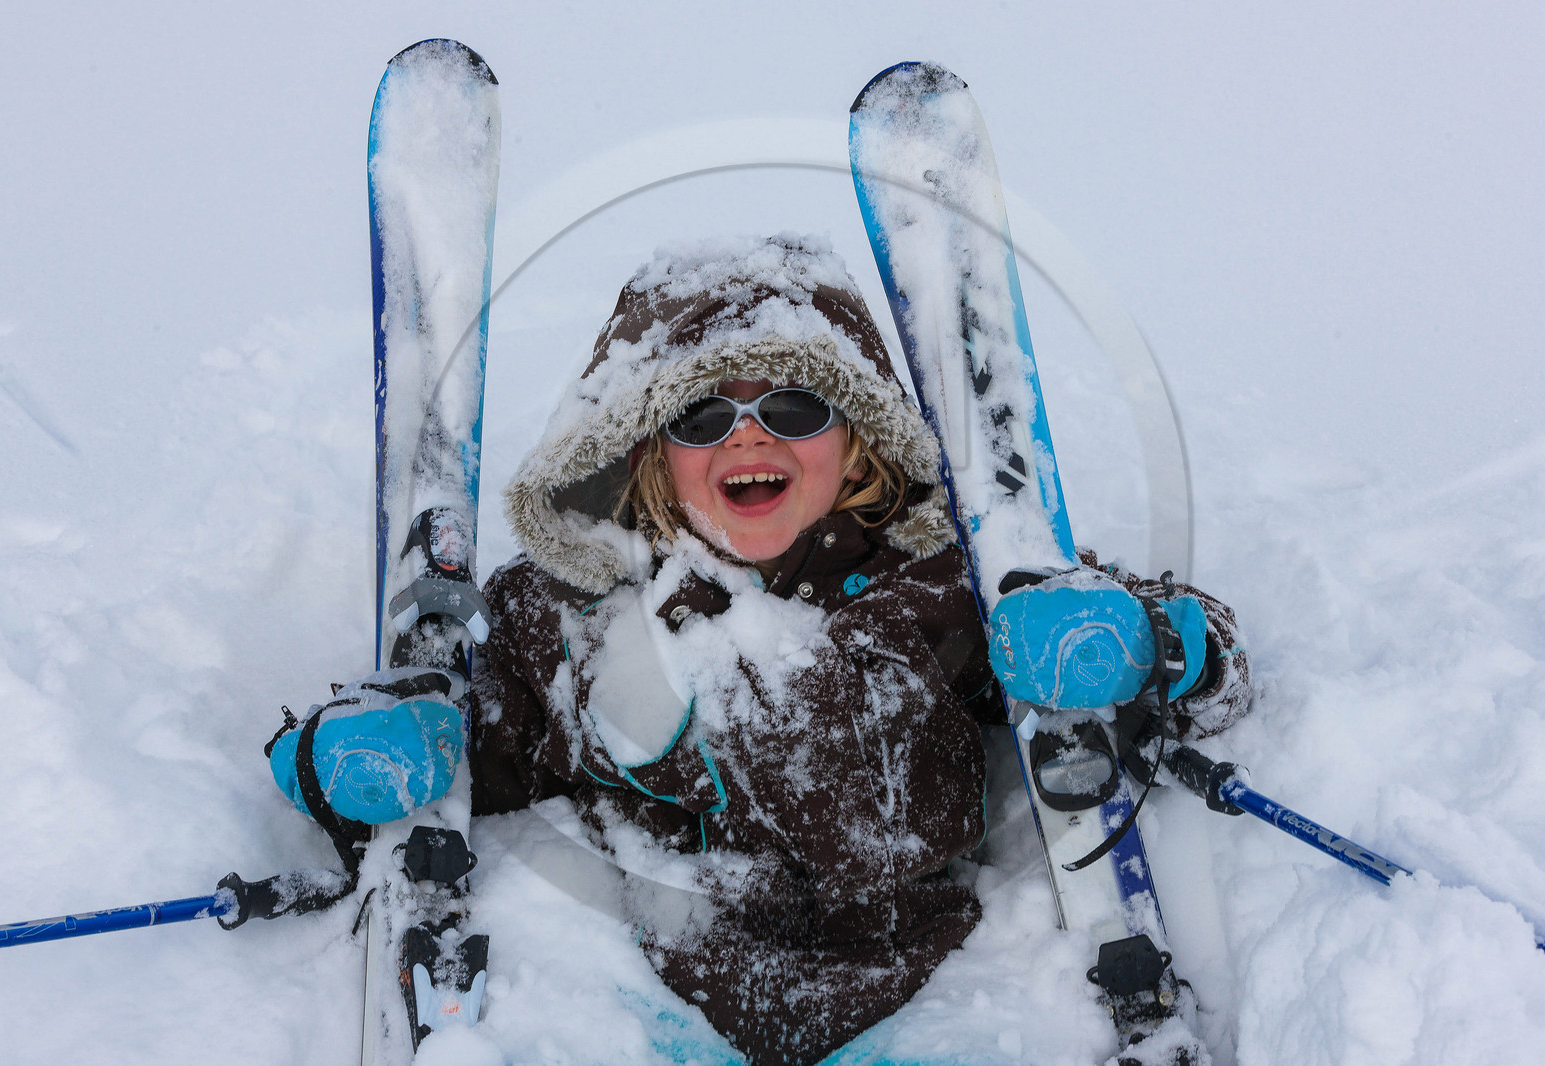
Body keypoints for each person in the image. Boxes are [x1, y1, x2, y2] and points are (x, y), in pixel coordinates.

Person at [266, 234, 1252, 1065]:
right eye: (703, 415)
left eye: (792, 407)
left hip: (937, 1007)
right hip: (663, 1016)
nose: (749, 437)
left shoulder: (949, 584)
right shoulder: (569, 612)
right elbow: (472, 746)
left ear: (858, 435)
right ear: (647, 445)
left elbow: (1190, 676)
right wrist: (349, 759)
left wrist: (1141, 643)